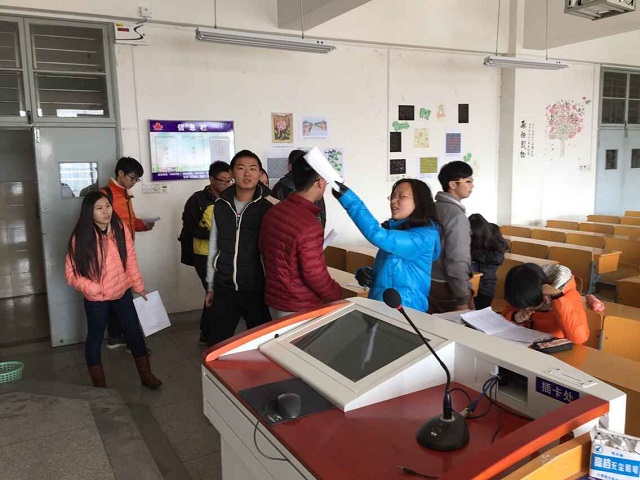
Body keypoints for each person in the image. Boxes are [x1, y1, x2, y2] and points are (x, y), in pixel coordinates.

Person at [65, 191, 162, 389]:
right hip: (96, 299)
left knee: (134, 332)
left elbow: (131, 260)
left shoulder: (119, 227)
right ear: (89, 212)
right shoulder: (81, 237)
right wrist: (94, 289)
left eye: (108, 206)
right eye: (99, 208)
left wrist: (139, 287)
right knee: (95, 338)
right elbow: (71, 274)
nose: (105, 212)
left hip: (122, 291)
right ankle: (99, 385)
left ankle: (146, 375)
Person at [333, 179, 440, 312]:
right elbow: (394, 272)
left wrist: (348, 199)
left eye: (402, 196)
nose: (394, 200)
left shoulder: (423, 237)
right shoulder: (398, 232)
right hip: (382, 308)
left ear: (420, 202)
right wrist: (371, 274)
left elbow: (377, 234)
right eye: (393, 196)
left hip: (406, 311)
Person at [204, 150, 276, 346]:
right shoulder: (221, 205)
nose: (247, 174)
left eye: (253, 169)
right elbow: (214, 246)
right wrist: (210, 286)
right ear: (232, 173)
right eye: (241, 168)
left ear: (260, 174)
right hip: (225, 286)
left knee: (263, 345)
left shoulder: (269, 207)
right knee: (217, 345)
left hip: (257, 288)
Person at [259, 154, 342, 319]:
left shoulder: (273, 212)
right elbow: (315, 275)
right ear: (320, 182)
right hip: (299, 305)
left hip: (274, 300)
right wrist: (337, 294)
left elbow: (263, 249)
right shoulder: (310, 224)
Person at [101, 156, 155, 350]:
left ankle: (116, 336)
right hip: (113, 257)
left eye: (137, 179)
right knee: (125, 299)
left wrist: (143, 225)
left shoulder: (124, 194)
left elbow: (128, 221)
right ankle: (134, 343)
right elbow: (100, 226)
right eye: (132, 178)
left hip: (125, 254)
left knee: (119, 296)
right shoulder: (105, 195)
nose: (134, 182)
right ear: (120, 173)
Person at [180, 161, 232, 345]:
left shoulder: (231, 198)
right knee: (216, 291)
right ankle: (213, 336)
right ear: (211, 179)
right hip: (203, 255)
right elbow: (190, 228)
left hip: (224, 254)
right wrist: (215, 234)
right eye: (222, 180)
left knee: (216, 292)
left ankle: (206, 331)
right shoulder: (197, 200)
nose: (226, 184)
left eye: (229, 180)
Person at [502, 263, 589, 345]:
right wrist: (515, 317)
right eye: (523, 307)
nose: (527, 309)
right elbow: (505, 314)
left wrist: (558, 298)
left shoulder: (568, 296)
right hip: (526, 344)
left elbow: (579, 338)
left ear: (543, 292)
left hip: (553, 348)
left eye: (531, 306)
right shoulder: (521, 289)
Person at [429, 161, 475, 313]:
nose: (472, 185)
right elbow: (457, 260)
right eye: (468, 181)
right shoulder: (456, 216)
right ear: (453, 184)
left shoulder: (433, 207)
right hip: (448, 287)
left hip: (429, 281)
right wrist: (462, 298)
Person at [272, 150, 326, 229]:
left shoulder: (279, 186)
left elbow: (274, 217)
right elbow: (322, 215)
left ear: (290, 165)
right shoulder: (315, 187)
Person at [469, 213, 508, 310]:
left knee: (478, 312)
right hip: (471, 281)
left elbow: (498, 258)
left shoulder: (493, 234)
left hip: (486, 284)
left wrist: (474, 253)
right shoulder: (470, 234)